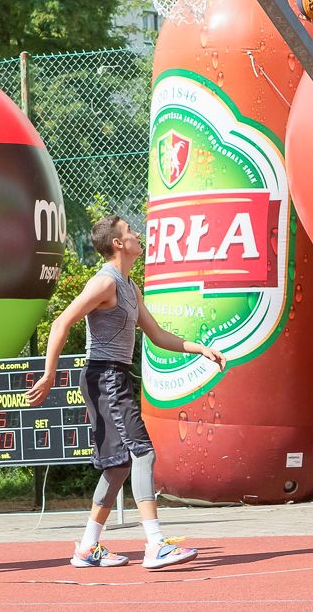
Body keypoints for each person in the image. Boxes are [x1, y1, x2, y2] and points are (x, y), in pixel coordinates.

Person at [28, 215, 227, 570]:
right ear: (118, 243)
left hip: (113, 376)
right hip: (104, 376)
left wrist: (199, 348)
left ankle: (87, 547)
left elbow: (157, 334)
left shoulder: (130, 288)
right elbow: (60, 322)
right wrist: (49, 374)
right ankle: (156, 545)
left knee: (119, 465)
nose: (138, 234)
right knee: (143, 453)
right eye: (131, 231)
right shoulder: (105, 283)